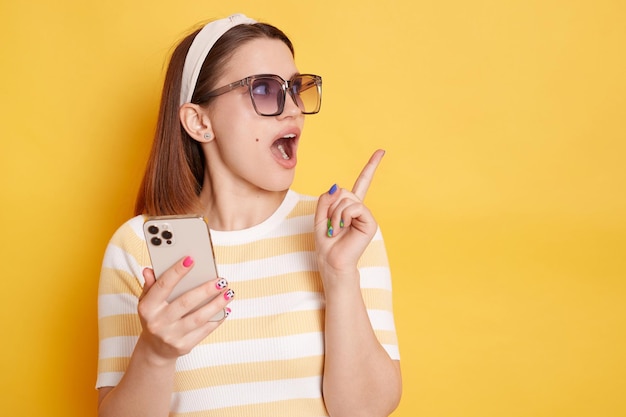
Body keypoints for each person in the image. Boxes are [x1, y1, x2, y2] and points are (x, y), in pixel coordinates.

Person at [96, 13, 401, 417]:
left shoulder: (341, 232)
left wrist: (340, 276)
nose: (293, 108)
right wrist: (155, 354)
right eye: (264, 88)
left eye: (295, 89)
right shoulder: (137, 247)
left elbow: (366, 411)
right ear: (200, 121)